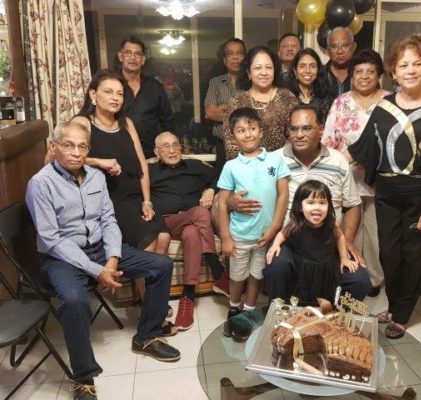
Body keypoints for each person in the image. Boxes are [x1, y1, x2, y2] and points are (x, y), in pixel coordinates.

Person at [26, 122, 180, 400]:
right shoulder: (40, 184)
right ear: (53, 147)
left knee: (161, 265)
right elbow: (52, 240)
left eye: (82, 146)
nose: (76, 152)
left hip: (100, 250)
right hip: (61, 258)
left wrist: (112, 259)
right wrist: (98, 271)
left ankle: (147, 335)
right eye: (68, 145)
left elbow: (108, 220)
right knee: (74, 301)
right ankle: (83, 378)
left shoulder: (96, 177)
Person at [344, 36, 421, 339]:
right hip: (387, 196)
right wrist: (319, 160)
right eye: (403, 65)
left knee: (414, 257)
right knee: (390, 257)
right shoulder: (384, 106)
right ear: (393, 72)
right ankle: (395, 305)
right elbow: (360, 149)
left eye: (416, 64)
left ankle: (402, 315)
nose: (410, 70)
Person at [261, 104, 371, 303]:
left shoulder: (338, 161)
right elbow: (257, 193)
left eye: (307, 128)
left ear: (321, 129)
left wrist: (348, 241)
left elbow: (352, 204)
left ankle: (332, 321)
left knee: (359, 280)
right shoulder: (274, 161)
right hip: (291, 243)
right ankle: (279, 317)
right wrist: (231, 200)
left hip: (327, 242)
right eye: (293, 129)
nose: (299, 134)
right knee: (277, 266)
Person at [73, 69, 170, 255]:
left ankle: (152, 284)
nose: (115, 98)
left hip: (135, 199)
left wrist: (147, 201)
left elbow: (142, 165)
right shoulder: (83, 123)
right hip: (108, 202)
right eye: (108, 92)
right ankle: (136, 282)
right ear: (93, 94)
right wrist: (99, 162)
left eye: (119, 93)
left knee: (164, 237)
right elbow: (59, 157)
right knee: (147, 243)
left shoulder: (126, 123)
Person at [322, 49, 391, 297]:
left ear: (379, 74)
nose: (364, 76)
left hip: (378, 180)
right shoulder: (341, 102)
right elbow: (328, 140)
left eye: (370, 71)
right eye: (359, 72)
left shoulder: (390, 101)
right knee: (342, 229)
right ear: (351, 75)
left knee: (373, 233)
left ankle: (372, 278)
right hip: (345, 177)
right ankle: (343, 272)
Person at [217, 107, 290, 340]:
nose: (247, 134)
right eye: (241, 130)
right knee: (237, 276)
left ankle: (249, 311)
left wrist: (274, 227)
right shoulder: (231, 166)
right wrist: (226, 238)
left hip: (264, 236)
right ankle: (234, 306)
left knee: (257, 274)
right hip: (239, 235)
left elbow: (283, 195)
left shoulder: (275, 160)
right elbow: (221, 203)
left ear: (261, 132)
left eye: (252, 129)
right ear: (232, 135)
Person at [150, 131, 231, 331]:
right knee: (200, 212)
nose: (172, 150)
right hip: (168, 222)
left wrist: (211, 189)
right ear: (156, 151)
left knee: (192, 233)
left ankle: (188, 296)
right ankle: (217, 270)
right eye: (166, 146)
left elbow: (222, 175)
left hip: (193, 226)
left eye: (176, 145)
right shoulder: (149, 171)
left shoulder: (194, 166)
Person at [266, 180, 359, 305]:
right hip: (303, 267)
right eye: (310, 203)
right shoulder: (297, 224)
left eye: (322, 203)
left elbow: (340, 236)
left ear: (329, 206)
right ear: (300, 206)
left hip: (324, 267)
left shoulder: (330, 225)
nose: (317, 207)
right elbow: (283, 233)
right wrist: (275, 245)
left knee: (323, 298)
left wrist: (343, 258)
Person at [222, 45, 298, 160]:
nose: (264, 72)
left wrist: (275, 163)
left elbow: (296, 134)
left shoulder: (287, 97)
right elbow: (230, 141)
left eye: (268, 67)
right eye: (258, 68)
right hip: (246, 169)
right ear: (249, 72)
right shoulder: (237, 101)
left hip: (281, 166)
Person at [117, 36, 176, 158]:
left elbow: (168, 121)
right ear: (120, 56)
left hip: (151, 155)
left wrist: (166, 148)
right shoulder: (111, 85)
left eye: (137, 54)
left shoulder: (155, 86)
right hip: (118, 153)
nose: (133, 58)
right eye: (128, 53)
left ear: (143, 59)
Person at [205, 38, 246, 176]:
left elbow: (256, 114)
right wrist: (241, 112)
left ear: (245, 58)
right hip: (221, 145)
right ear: (224, 60)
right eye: (230, 54)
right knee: (224, 188)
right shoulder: (215, 82)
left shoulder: (252, 82)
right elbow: (210, 113)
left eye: (239, 53)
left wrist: (224, 107)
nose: (235, 57)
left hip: (248, 145)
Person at [288, 48, 333, 118]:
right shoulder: (286, 98)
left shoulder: (327, 100)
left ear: (318, 70)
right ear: (295, 71)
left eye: (313, 66)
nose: (308, 71)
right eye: (302, 66)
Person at [325, 27, 357, 97]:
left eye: (345, 46)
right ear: (327, 50)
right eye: (334, 46)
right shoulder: (319, 74)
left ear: (354, 47)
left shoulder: (362, 74)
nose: (340, 51)